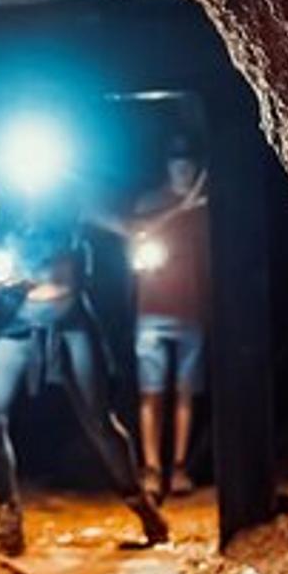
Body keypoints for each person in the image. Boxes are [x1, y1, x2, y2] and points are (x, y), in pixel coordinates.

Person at [0, 181, 169, 556]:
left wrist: (181, 202)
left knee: (99, 422)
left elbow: (127, 224)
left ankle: (144, 508)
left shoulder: (72, 194)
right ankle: (8, 518)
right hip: (18, 317)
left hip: (71, 317)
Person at [128, 136, 212, 497]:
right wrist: (183, 207)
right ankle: (151, 468)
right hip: (152, 309)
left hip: (190, 308)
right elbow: (136, 237)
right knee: (152, 393)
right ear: (167, 165)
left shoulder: (207, 208)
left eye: (188, 160)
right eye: (176, 160)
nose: (183, 167)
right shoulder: (150, 202)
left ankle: (178, 468)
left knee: (184, 392)